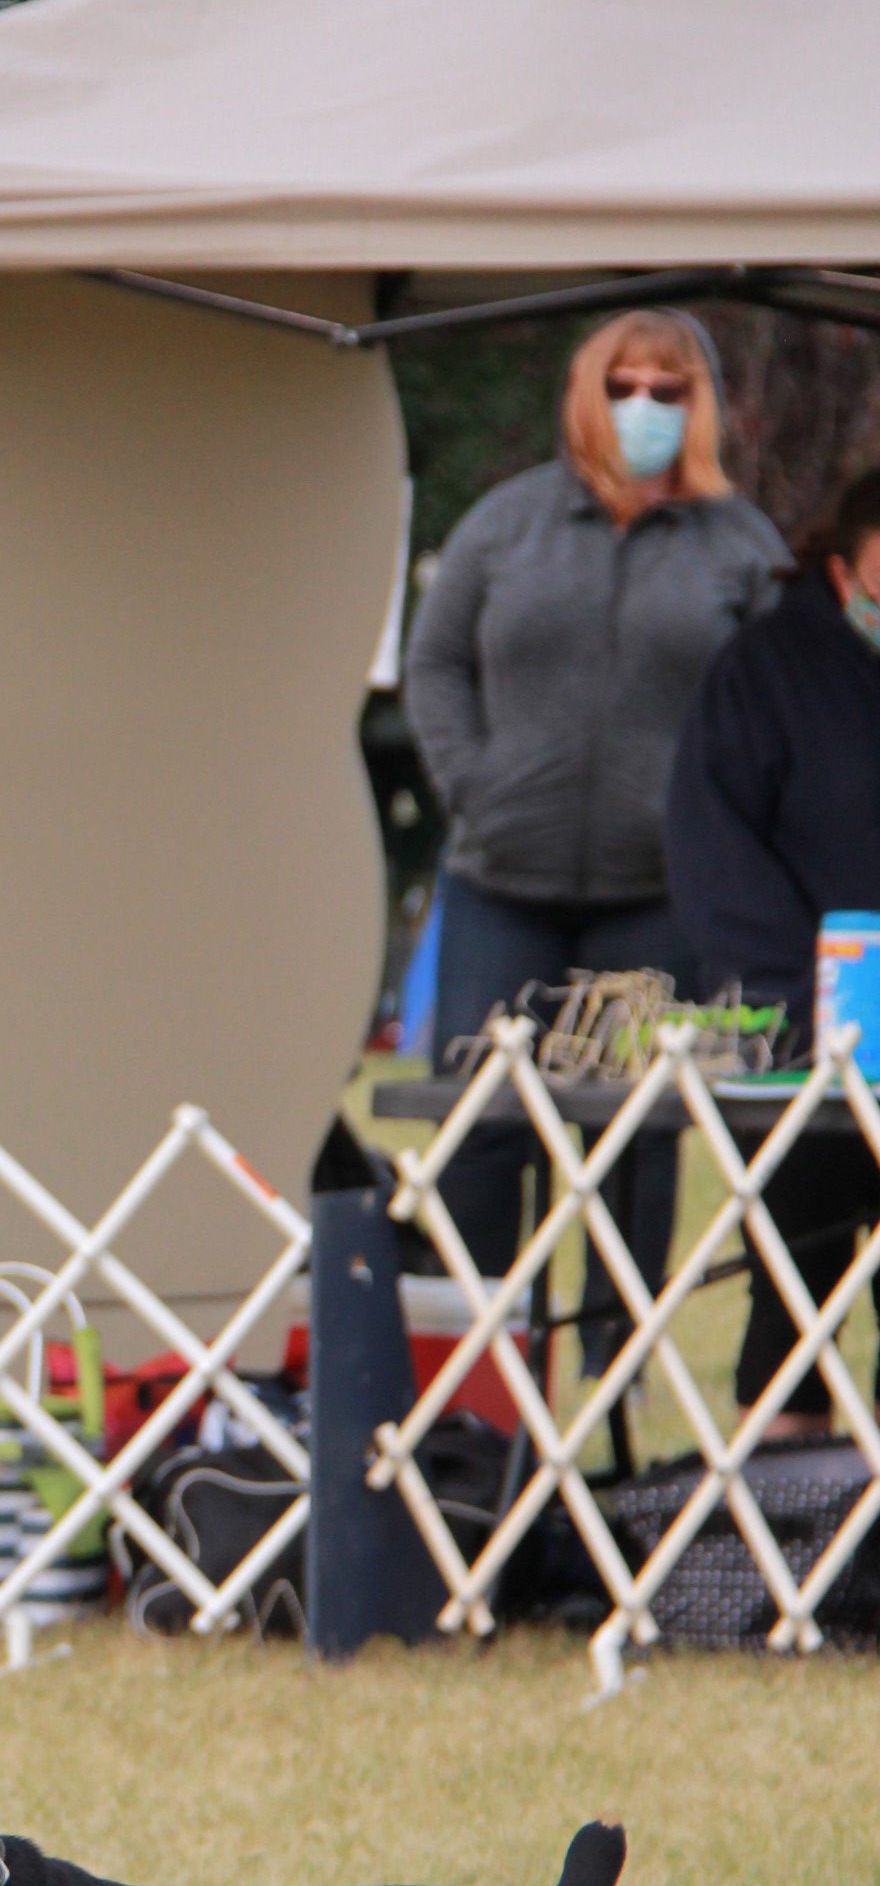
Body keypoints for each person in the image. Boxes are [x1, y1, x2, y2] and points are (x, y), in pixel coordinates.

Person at [403, 310, 785, 1337]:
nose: (644, 409)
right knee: (479, 1129)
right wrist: (473, 783)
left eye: (668, 390)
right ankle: (479, 1394)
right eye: (624, 385)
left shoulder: (740, 545)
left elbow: (776, 703)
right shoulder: (505, 523)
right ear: (585, 392)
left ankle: (615, 1394)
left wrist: (716, 831)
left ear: (698, 404)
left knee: (632, 1143)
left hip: (656, 902)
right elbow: (433, 664)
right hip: (499, 885)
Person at [667, 465, 880, 1438]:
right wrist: (800, 1002)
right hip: (805, 1042)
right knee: (792, 1283)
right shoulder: (761, 671)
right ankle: (782, 1543)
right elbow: (718, 856)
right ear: (843, 569)